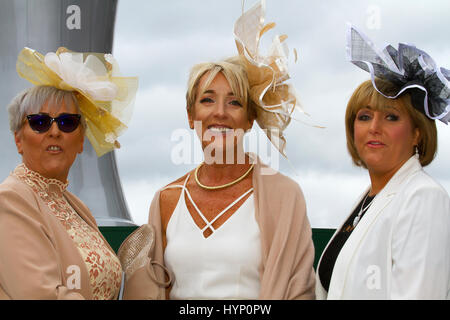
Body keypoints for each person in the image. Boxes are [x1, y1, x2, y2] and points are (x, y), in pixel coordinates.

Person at [124, 1, 315, 300]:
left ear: (250, 119)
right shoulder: (166, 200)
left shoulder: (285, 196)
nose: (220, 113)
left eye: (235, 102)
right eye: (208, 100)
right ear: (190, 115)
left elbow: (299, 290)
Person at [316, 25, 450, 299]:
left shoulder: (424, 197)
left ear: (417, 133)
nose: (374, 127)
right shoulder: (369, 199)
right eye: (364, 117)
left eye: (391, 117)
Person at [0, 47, 137, 299]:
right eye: (39, 122)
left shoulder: (76, 207)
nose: (54, 132)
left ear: (81, 140)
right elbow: (38, 293)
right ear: (18, 139)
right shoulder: (10, 199)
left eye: (67, 122)